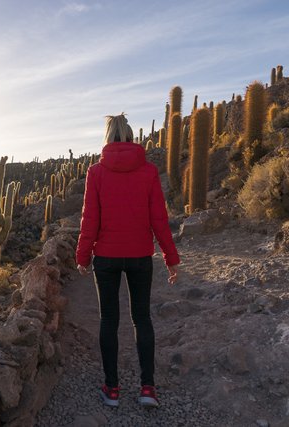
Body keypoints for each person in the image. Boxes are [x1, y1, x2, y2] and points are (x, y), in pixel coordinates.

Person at [75, 113, 180, 408]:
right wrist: (171, 258)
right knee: (142, 318)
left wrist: (82, 256)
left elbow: (90, 219)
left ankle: (112, 390)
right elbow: (159, 219)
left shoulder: (96, 172)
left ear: (108, 138)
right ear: (132, 137)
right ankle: (148, 389)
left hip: (105, 257)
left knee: (109, 320)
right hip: (139, 256)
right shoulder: (148, 171)